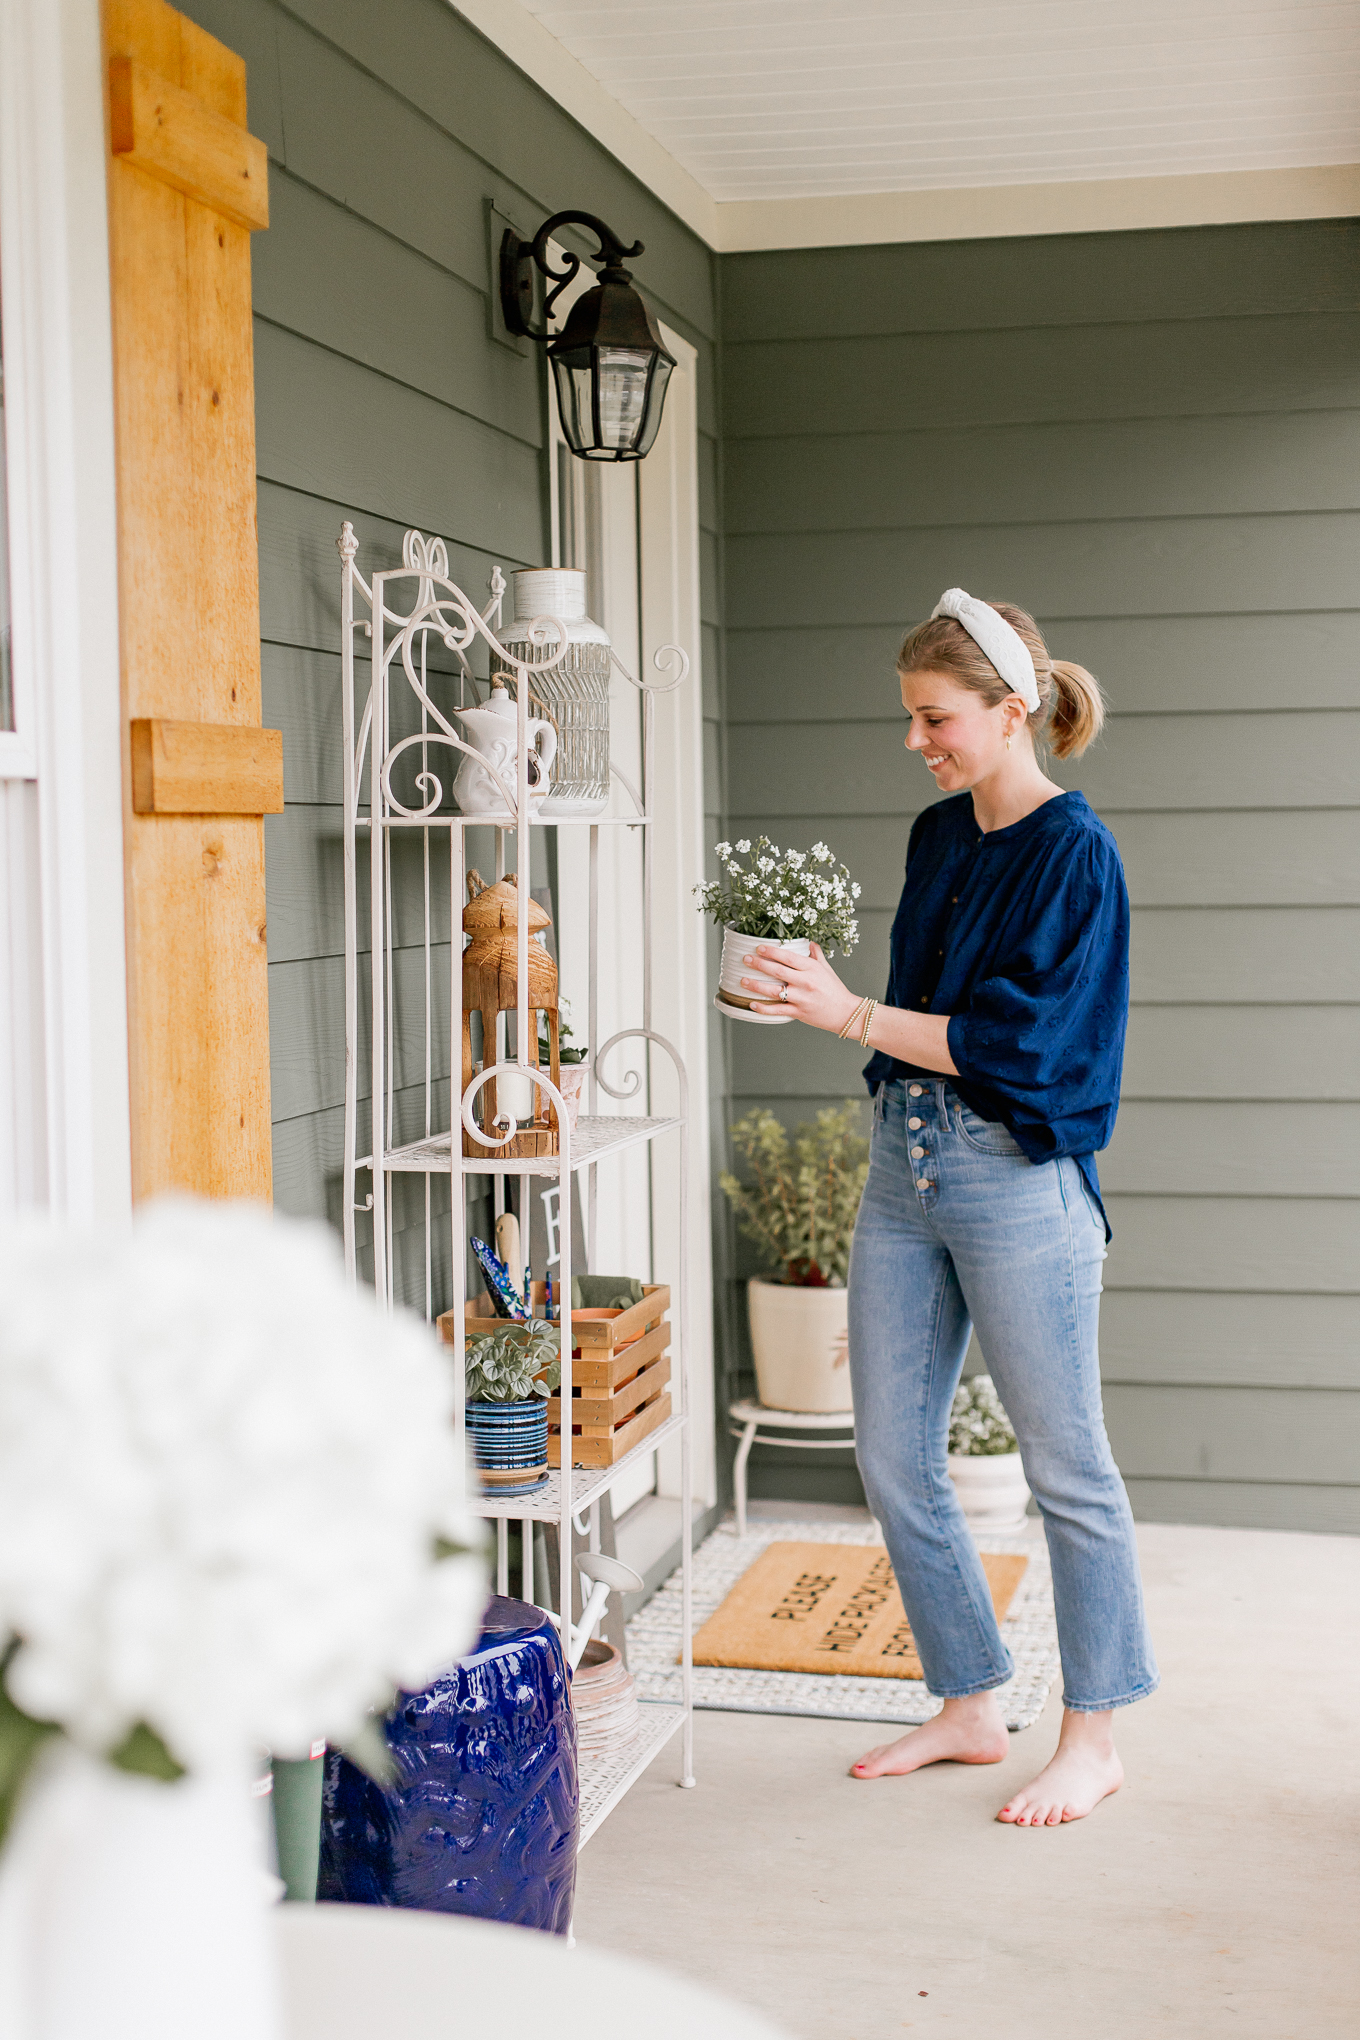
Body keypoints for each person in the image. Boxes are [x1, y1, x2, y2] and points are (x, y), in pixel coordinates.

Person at [739, 589, 1157, 1828]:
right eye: (912, 719)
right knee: (890, 1456)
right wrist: (813, 998)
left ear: (1010, 710)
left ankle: (1094, 1735)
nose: (917, 740)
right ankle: (972, 1702)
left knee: (1067, 1468)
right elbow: (913, 1022)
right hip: (900, 1170)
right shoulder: (936, 836)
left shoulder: (1075, 852)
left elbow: (1020, 1047)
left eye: (935, 718)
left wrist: (846, 1014)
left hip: (1015, 1182)